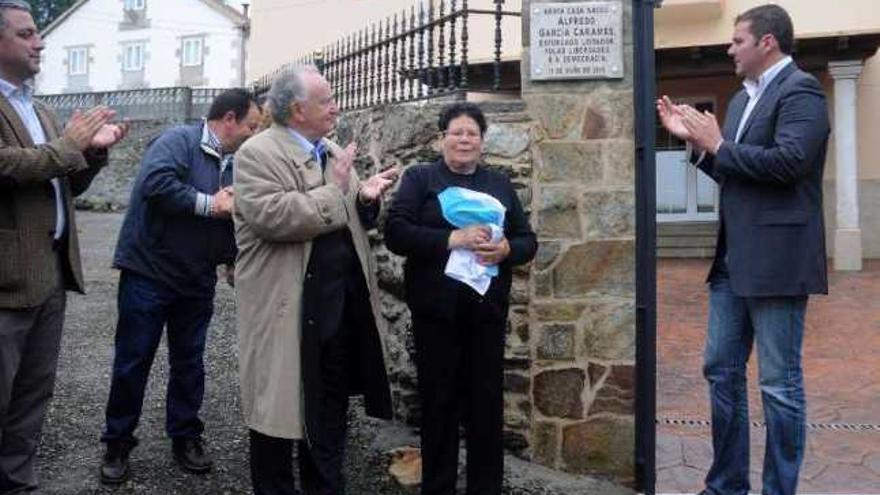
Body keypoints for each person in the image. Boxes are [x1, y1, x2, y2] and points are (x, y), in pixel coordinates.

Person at [657, 5, 830, 495]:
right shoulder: (740, 102)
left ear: (767, 43)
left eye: (737, 40)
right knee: (720, 369)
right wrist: (696, 143)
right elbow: (734, 168)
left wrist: (720, 146)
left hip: (778, 260)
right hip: (733, 262)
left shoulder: (802, 91)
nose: (729, 48)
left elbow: (790, 163)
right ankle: (728, 484)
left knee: (778, 384)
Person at [234, 65, 399, 495]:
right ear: (296, 109)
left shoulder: (328, 149)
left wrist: (364, 201)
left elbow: (350, 219)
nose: (336, 107)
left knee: (328, 415)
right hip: (288, 312)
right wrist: (337, 189)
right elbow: (274, 217)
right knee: (277, 417)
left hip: (337, 314)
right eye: (326, 101)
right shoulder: (257, 153)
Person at [98, 89, 261, 484]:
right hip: (149, 275)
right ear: (228, 120)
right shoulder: (177, 141)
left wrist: (233, 256)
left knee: (190, 363)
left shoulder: (238, 163)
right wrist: (210, 204)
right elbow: (156, 185)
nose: (254, 134)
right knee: (133, 361)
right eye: (251, 126)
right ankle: (117, 442)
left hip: (196, 278)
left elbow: (234, 214)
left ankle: (185, 436)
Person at [0, 1, 128, 493]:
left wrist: (91, 154)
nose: (40, 41)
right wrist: (68, 145)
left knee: (33, 394)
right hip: (6, 279)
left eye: (38, 32)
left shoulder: (40, 109)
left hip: (49, 271)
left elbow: (63, 185)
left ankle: (17, 482)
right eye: (27, 33)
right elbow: (10, 166)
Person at [384, 102, 537, 495]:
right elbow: (397, 233)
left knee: (485, 406)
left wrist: (506, 251)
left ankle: (485, 488)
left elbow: (527, 240)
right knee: (438, 404)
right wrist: (452, 238)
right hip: (435, 313)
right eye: (456, 132)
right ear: (441, 140)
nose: (464, 139)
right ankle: (438, 487)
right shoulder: (421, 179)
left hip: (486, 313)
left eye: (472, 133)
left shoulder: (499, 184)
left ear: (482, 142)